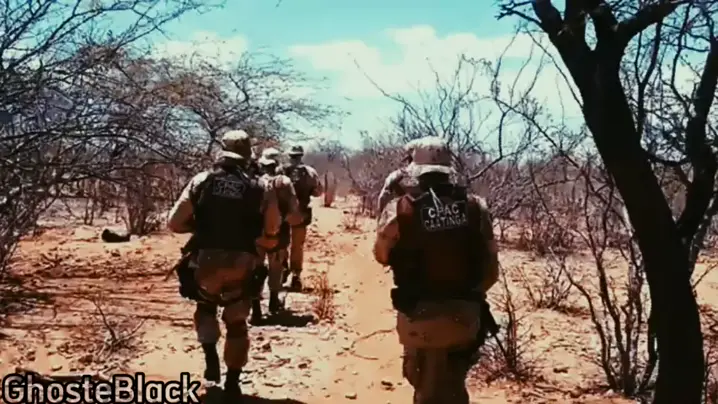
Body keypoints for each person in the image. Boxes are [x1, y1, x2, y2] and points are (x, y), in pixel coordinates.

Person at [372, 136, 500, 404]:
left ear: (416, 171)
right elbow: (491, 271)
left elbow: (381, 256)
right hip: (465, 317)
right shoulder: (476, 206)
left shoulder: (399, 209)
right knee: (454, 382)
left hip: (418, 316)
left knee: (423, 384)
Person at [167, 129, 282, 402]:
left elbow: (174, 222)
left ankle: (210, 357)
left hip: (206, 261)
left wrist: (201, 228)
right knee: (237, 322)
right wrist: (260, 241)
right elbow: (272, 228)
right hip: (243, 262)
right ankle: (232, 381)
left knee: (205, 306)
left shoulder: (201, 180)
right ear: (248, 154)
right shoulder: (260, 186)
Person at [250, 147, 302, 323]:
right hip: (279, 234)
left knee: (255, 269)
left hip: (256, 234)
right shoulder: (285, 182)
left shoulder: (254, 182)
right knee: (276, 267)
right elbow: (294, 209)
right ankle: (273, 302)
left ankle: (255, 309)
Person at [276, 145, 323, 291]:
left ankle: (283, 270)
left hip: (282, 214)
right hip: (301, 214)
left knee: (281, 243)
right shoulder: (310, 172)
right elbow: (318, 192)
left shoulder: (280, 170)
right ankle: (296, 275)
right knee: (297, 245)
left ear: (290, 156)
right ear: (301, 156)